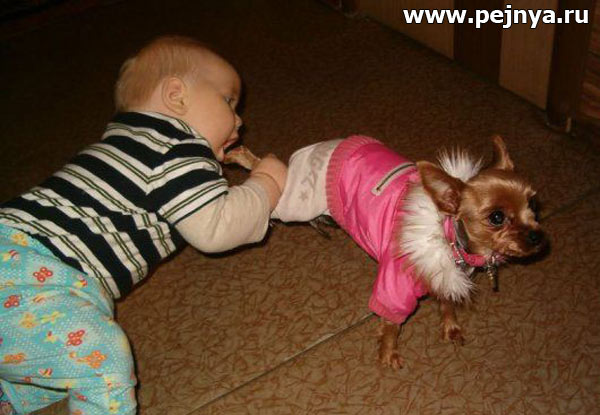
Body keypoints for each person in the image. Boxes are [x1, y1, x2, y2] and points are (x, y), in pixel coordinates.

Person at [0, 35, 287, 414]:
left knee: (48, 363)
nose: (239, 120)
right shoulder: (176, 147)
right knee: (99, 359)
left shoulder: (125, 144)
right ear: (176, 96)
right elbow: (216, 228)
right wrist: (267, 184)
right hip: (30, 271)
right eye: (228, 101)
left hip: (16, 258)